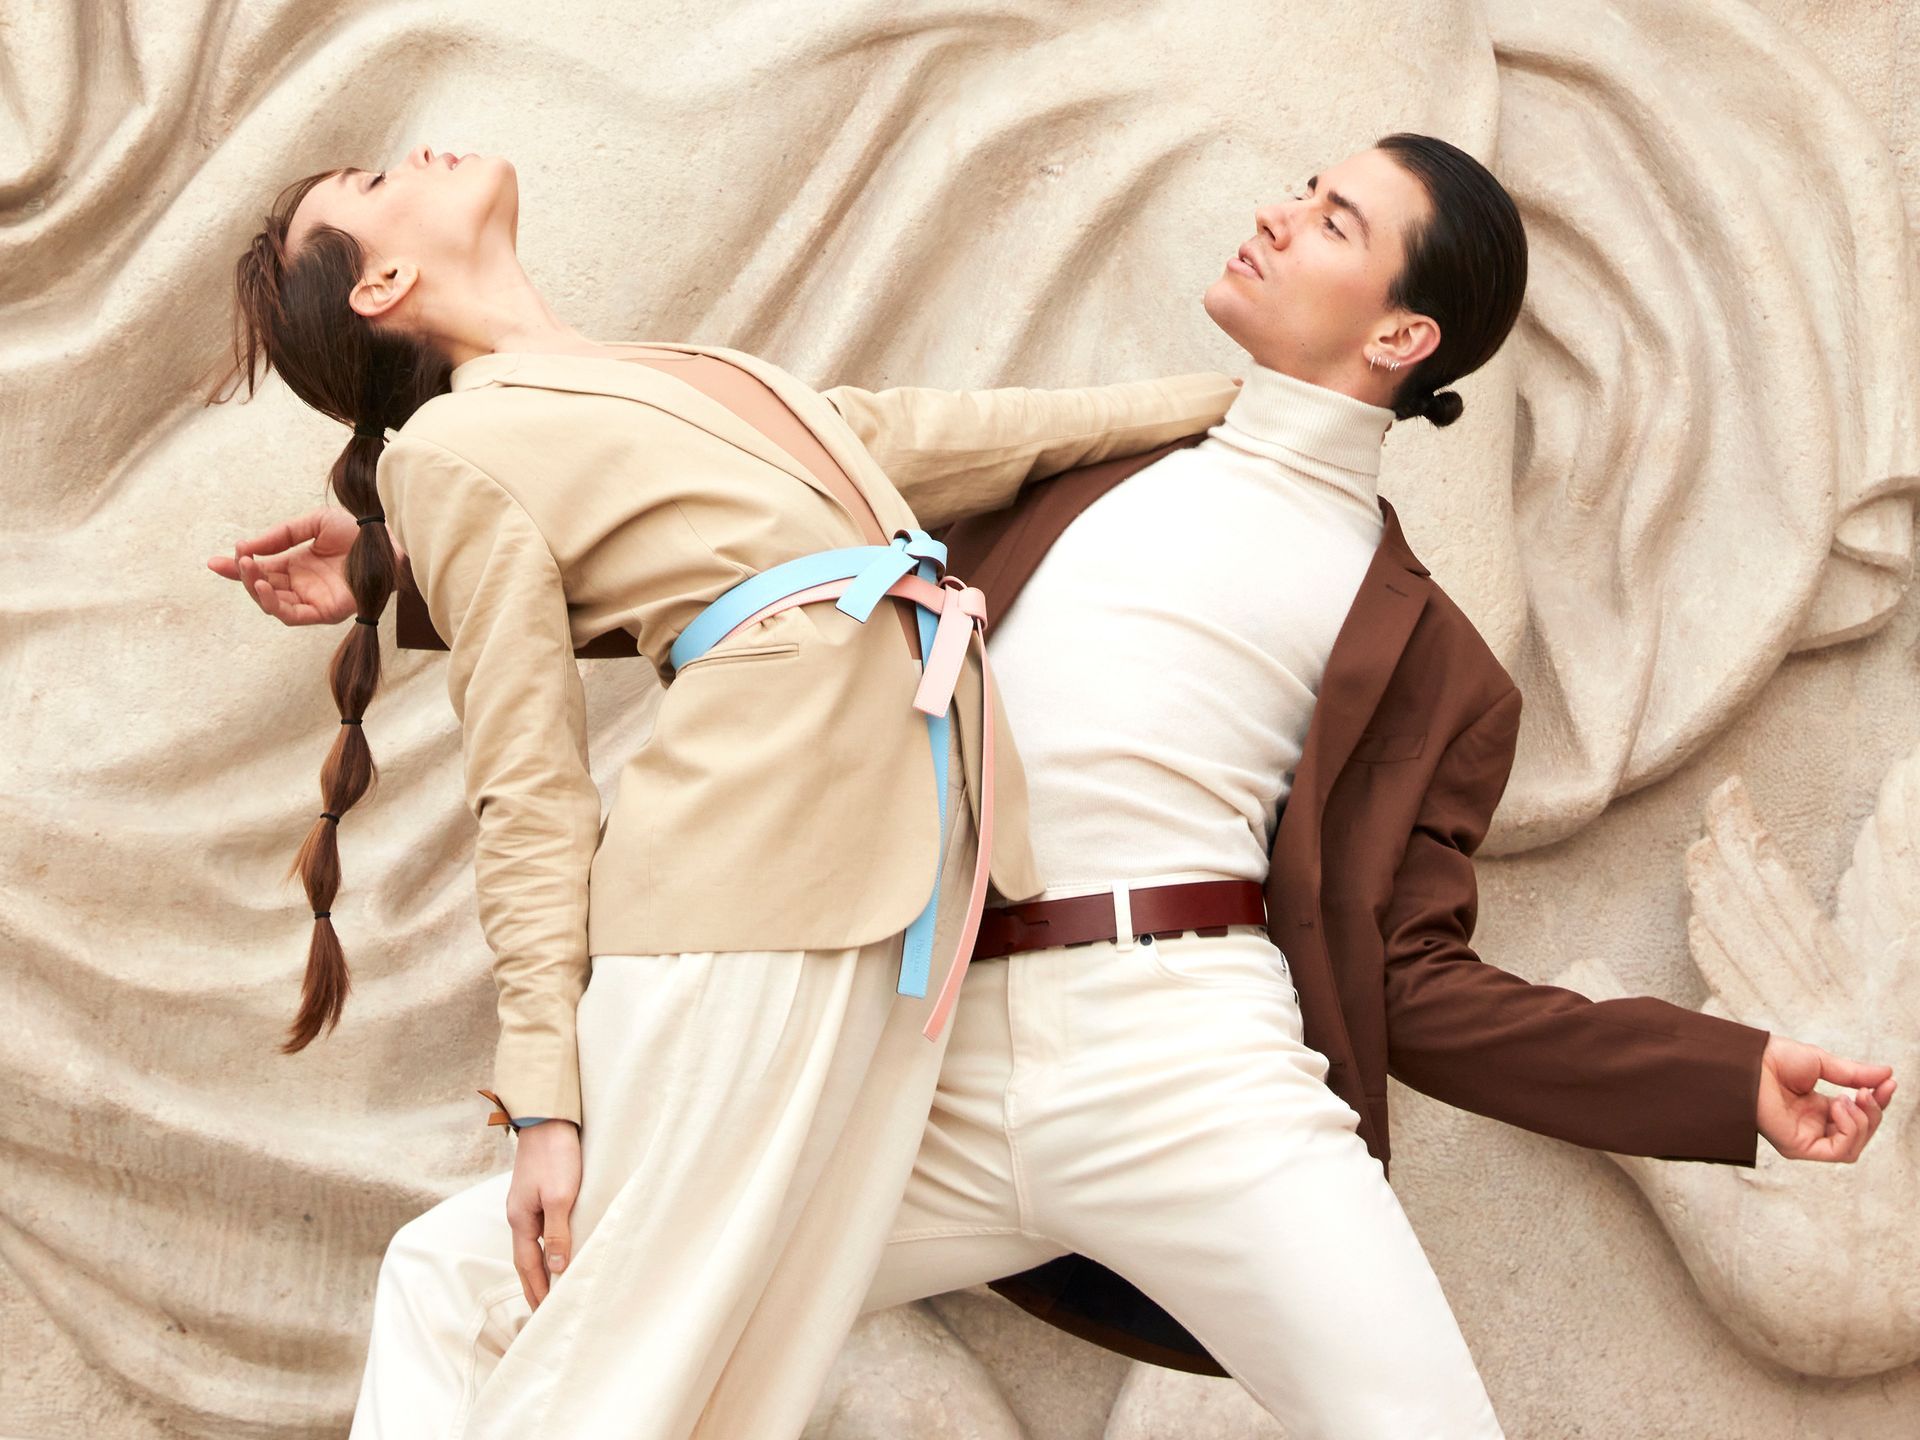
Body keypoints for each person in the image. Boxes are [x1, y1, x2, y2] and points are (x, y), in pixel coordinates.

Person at [221, 135, 1897, 1439]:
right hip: (919, 1055)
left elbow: (1417, 984)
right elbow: (746, 558)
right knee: (468, 1274)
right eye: (1300, 187)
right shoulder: (1069, 480)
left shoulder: (1435, 662)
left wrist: (1720, 1078)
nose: (1280, 212)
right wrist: (394, 561)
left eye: (1331, 218)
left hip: (1197, 1069)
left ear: (1401, 331)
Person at [205, 141, 1242, 1439]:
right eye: (368, 184)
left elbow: (927, 438)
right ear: (383, 285)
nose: (413, 153)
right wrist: (542, 1097)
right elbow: (526, 785)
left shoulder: (680, 376)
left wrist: (1258, 407)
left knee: (529, 1303)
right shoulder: (453, 448)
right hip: (741, 889)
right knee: (617, 1364)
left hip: (879, 867)